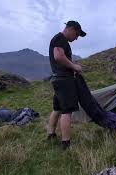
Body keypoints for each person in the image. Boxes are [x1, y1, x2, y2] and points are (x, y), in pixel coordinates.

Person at [47, 20, 86, 150]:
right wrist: (74, 66)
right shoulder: (60, 38)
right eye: (77, 34)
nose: (76, 38)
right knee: (67, 111)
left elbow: (60, 58)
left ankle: (51, 134)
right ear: (70, 29)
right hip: (64, 80)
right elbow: (58, 56)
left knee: (57, 108)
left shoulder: (60, 40)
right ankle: (66, 143)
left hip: (57, 79)